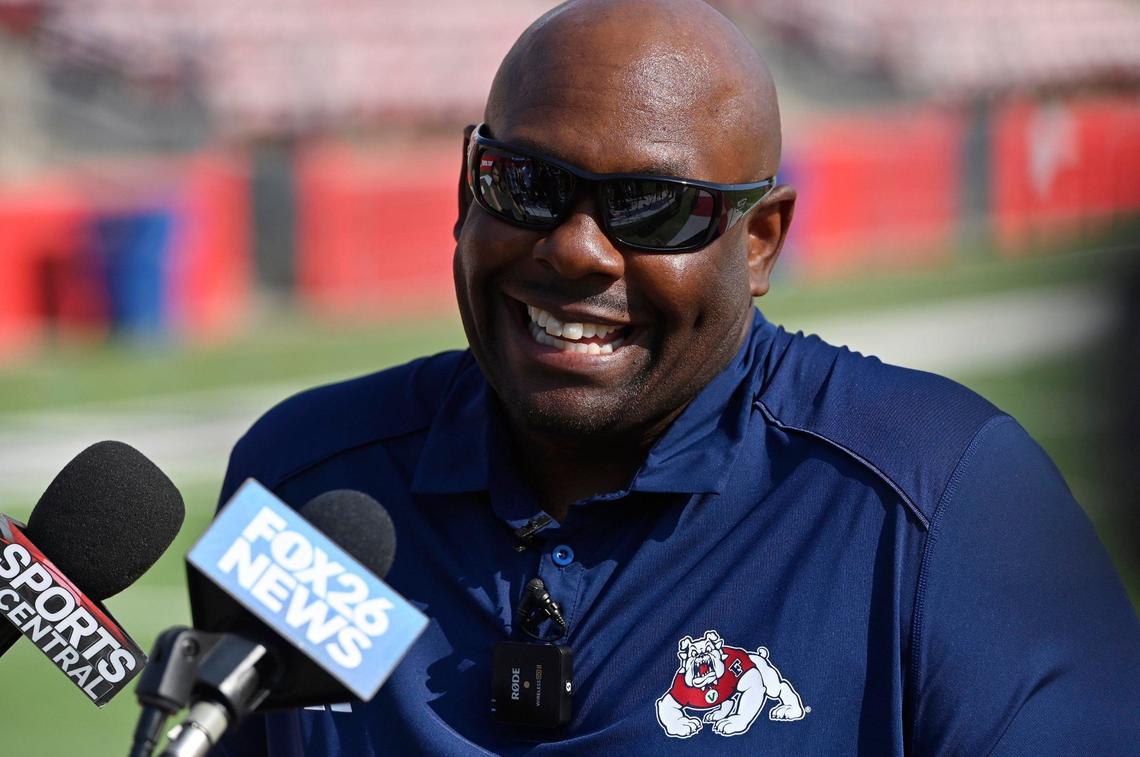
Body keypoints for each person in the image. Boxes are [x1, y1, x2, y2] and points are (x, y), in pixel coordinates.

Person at [216, 0, 1140, 753]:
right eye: (524, 184)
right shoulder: (301, 487)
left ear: (762, 241)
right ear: (467, 191)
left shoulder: (944, 495)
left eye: (650, 209)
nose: (575, 250)